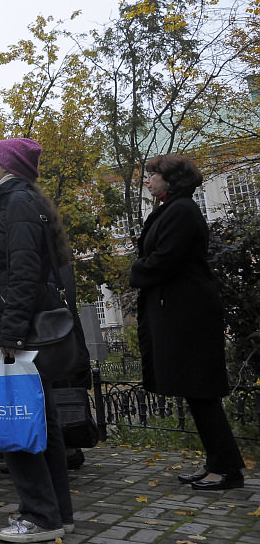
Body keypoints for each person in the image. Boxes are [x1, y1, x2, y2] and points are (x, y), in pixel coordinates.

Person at [131, 154, 245, 491]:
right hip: (180, 309)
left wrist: (137, 271)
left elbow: (164, 259)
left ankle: (227, 470)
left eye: (154, 174)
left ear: (172, 179)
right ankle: (217, 463)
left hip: (189, 313)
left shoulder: (181, 210)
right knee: (197, 390)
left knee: (201, 389)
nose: (148, 180)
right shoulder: (170, 208)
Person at [0, 137, 73, 541]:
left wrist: (10, 332)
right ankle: (58, 514)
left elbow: (22, 274)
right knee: (43, 424)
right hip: (28, 327)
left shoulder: (16, 205)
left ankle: (38, 516)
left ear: (8, 167)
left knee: (18, 421)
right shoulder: (23, 202)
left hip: (20, 331)